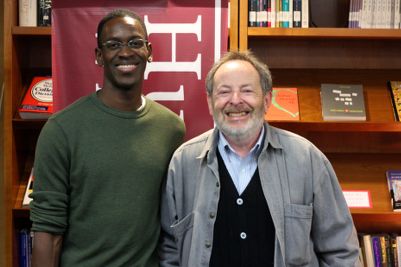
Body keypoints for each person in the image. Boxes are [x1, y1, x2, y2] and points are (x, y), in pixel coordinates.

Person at [159, 51, 361, 267]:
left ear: (266, 100)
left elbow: (341, 250)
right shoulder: (183, 163)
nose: (235, 101)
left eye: (247, 91)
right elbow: (170, 250)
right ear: (210, 102)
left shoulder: (307, 159)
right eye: (224, 92)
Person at [30, 9, 185, 267]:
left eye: (135, 43)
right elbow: (47, 230)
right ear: (99, 56)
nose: (125, 52)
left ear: (149, 51)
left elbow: (176, 221)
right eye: (113, 45)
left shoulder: (171, 129)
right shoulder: (61, 129)